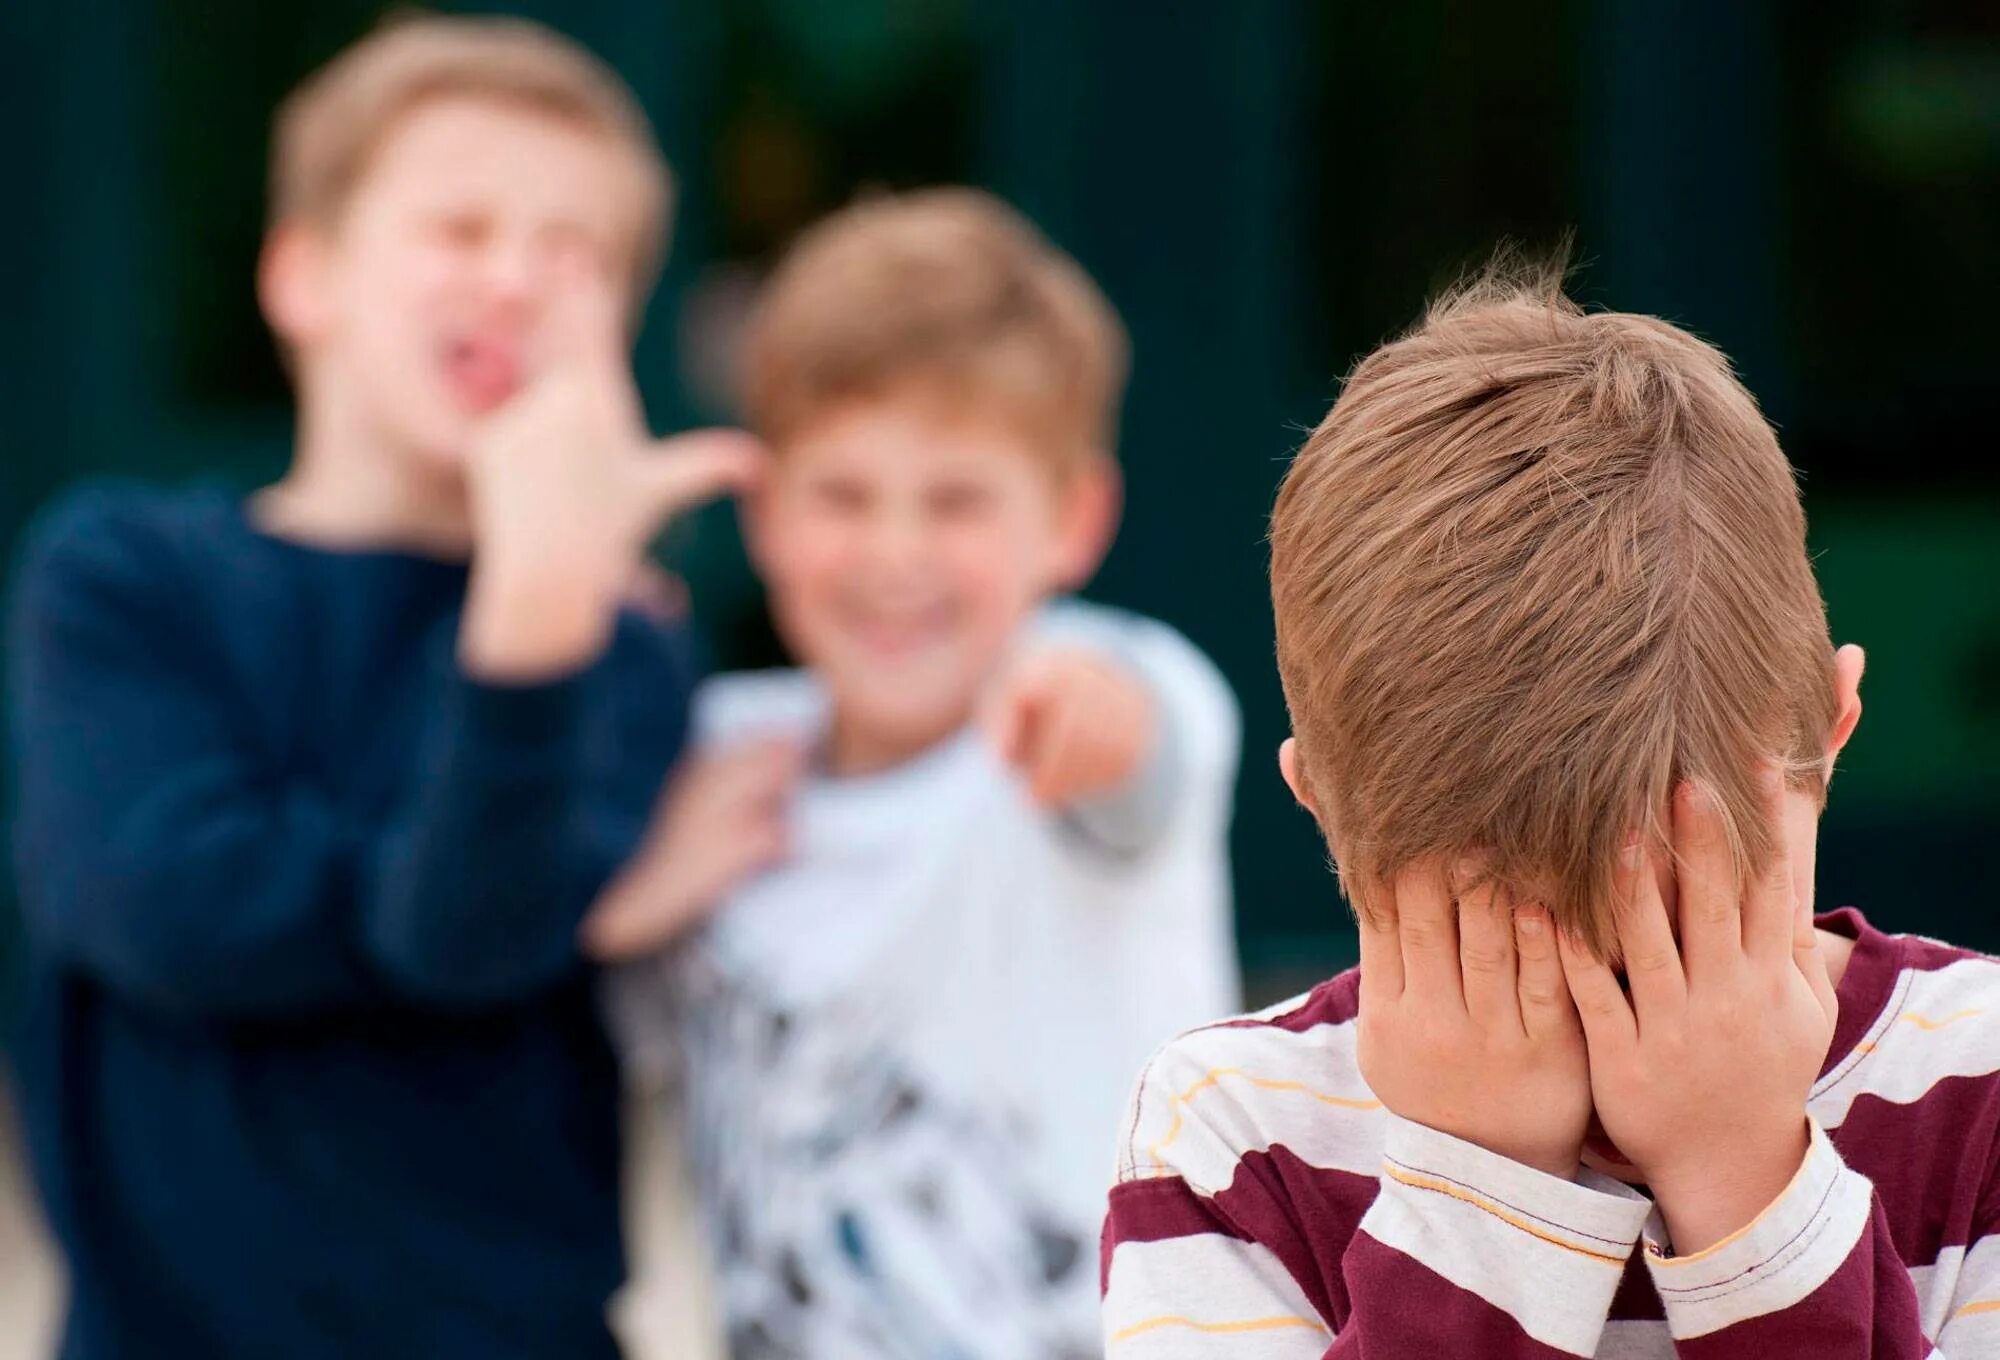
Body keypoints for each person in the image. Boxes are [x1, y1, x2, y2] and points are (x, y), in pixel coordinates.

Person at [5, 17, 756, 1357]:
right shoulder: (123, 574)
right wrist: (562, 913)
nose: (516, 280)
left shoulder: (623, 646)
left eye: (572, 253)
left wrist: (538, 600)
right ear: (304, 276)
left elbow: (460, 935)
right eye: (461, 231)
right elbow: (166, 907)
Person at [1097, 264, 2000, 1357]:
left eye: (1670, 923)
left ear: (1831, 733)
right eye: (1514, 942)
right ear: (1322, 809)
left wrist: (1744, 1178)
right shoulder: (1230, 1139)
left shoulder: (1976, 1088)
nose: (1623, 1042)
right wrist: (1482, 1192)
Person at [591, 188, 1243, 1360]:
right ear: (764, 515)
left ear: (1073, 519)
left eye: (955, 501)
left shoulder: (1093, 688)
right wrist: (635, 892)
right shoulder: (710, 758)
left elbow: (1144, 746)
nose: (895, 554)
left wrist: (1094, 714)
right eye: (842, 495)